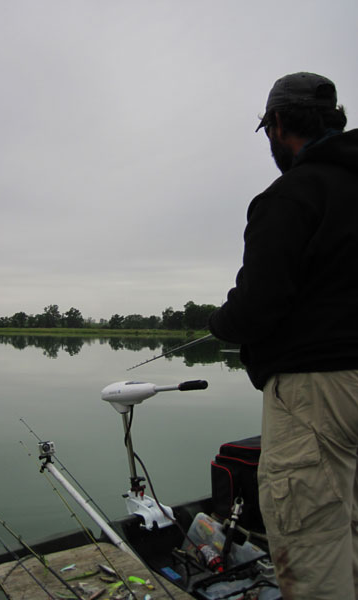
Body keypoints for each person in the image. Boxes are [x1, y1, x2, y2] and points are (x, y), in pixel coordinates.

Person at [208, 72, 358, 599]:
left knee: (314, 547)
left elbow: (256, 308)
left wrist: (219, 323)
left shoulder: (290, 194)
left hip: (314, 393)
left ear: (276, 126)